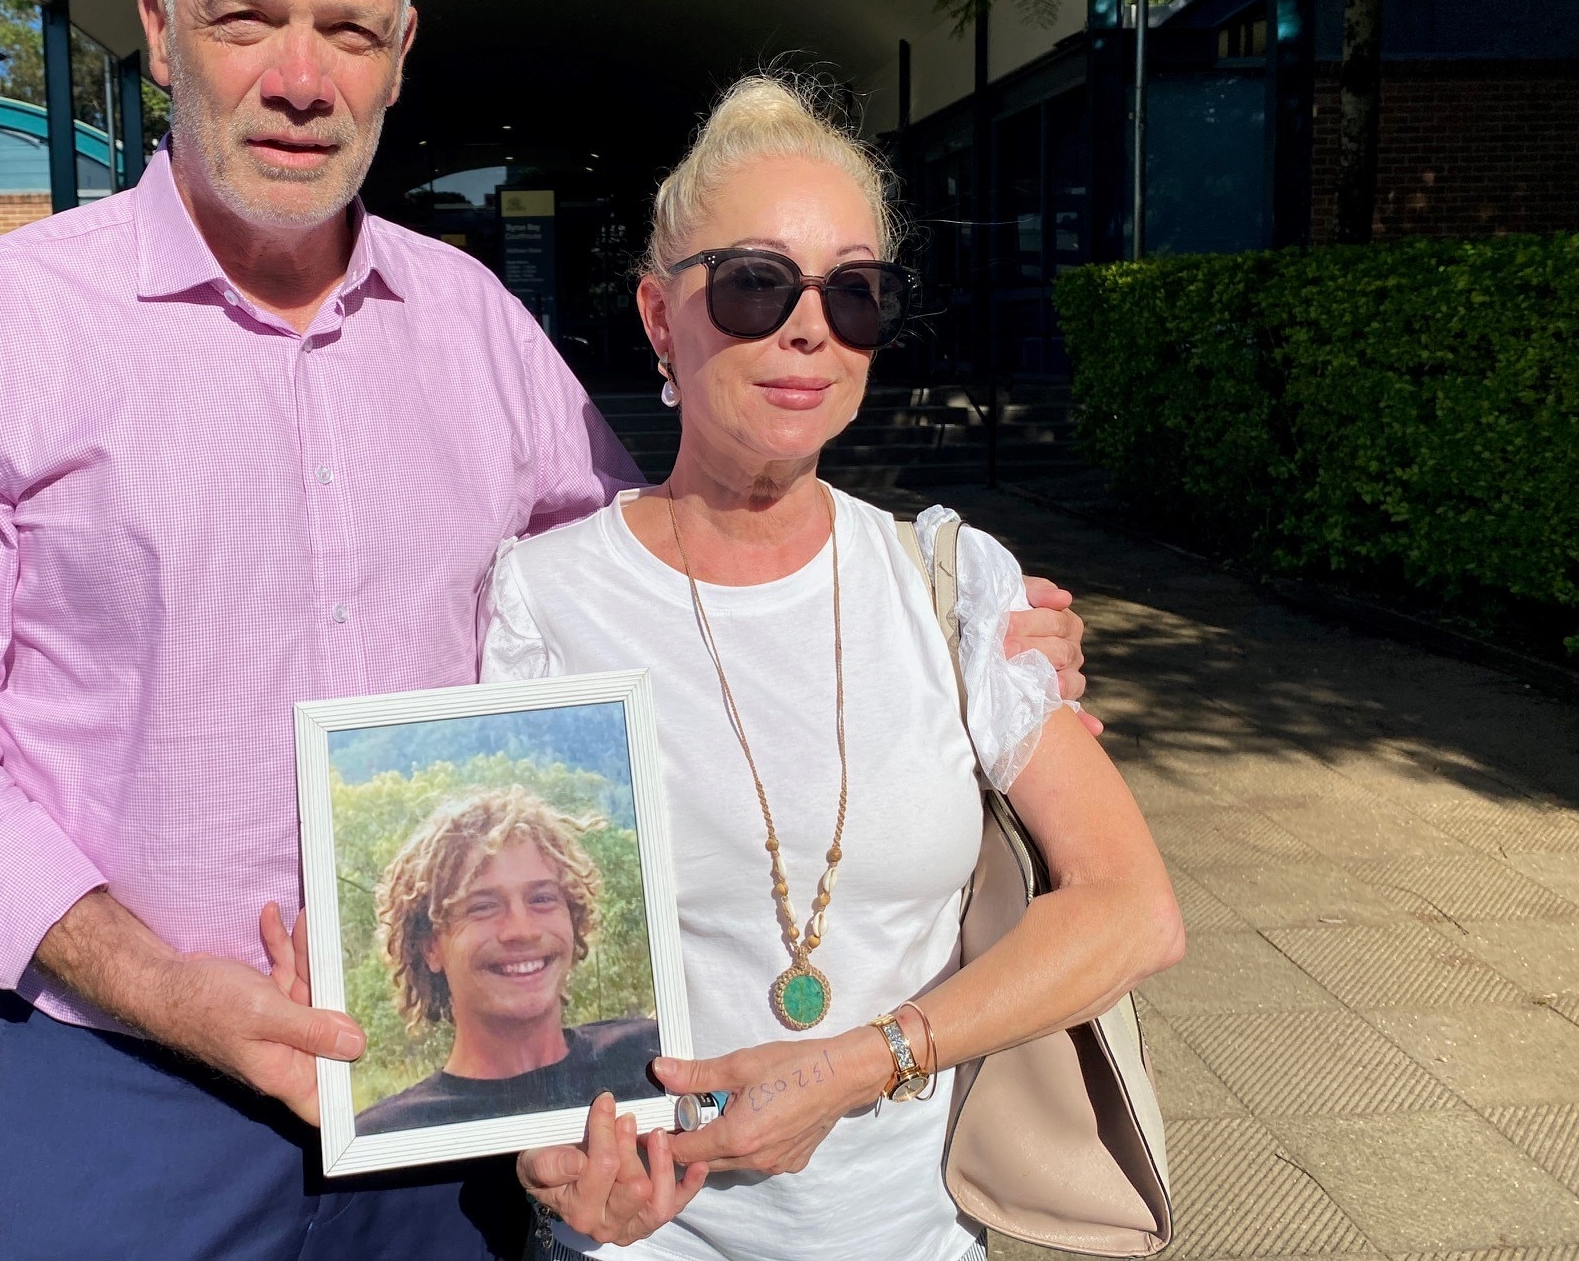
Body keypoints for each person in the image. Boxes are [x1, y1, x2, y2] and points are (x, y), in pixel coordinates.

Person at [0, 0, 1093, 1261]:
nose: (301, 78)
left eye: (348, 30)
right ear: (162, 30)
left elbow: (652, 589)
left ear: (402, 52)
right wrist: (162, 983)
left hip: (453, 1109)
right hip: (130, 1090)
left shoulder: (475, 327)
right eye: (248, 19)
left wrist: (981, 642)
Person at [479, 75, 1186, 1261]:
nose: (810, 327)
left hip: (918, 1238)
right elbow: (515, 954)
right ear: (661, 317)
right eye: (757, 284)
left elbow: (1133, 910)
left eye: (855, 294)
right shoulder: (547, 598)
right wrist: (550, 1161)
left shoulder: (955, 585)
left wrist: (864, 1064)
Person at [360, 786, 661, 1135]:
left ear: (573, 918)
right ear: (430, 947)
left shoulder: (653, 1058)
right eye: (483, 906)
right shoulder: (388, 1139)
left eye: (542, 898)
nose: (522, 930)